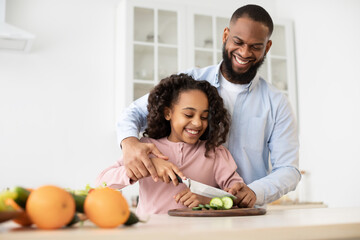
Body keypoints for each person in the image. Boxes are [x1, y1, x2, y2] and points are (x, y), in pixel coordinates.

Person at [117, 4, 301, 207]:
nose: (244, 52)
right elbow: (133, 113)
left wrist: (255, 192)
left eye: (255, 46)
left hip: (243, 213)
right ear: (225, 36)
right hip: (189, 214)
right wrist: (130, 144)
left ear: (267, 47)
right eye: (238, 42)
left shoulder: (277, 103)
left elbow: (288, 169)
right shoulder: (190, 83)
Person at [96, 74, 255, 214]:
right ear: (168, 113)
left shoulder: (215, 153)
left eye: (204, 117)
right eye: (188, 114)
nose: (197, 123)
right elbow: (102, 184)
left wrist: (206, 201)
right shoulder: (145, 148)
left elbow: (237, 196)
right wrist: (146, 165)